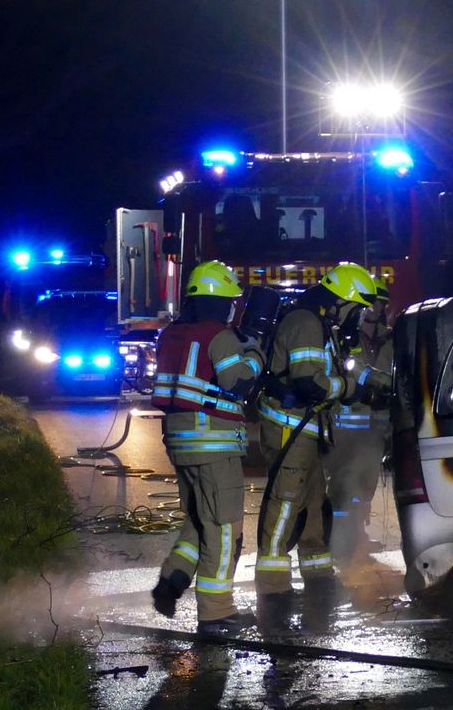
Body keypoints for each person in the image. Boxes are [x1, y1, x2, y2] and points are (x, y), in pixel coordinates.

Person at [254, 262, 380, 631]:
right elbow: (310, 382)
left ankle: (317, 571)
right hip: (290, 427)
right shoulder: (307, 322)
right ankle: (273, 583)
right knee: (286, 502)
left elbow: (337, 372)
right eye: (356, 308)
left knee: (312, 502)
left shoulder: (321, 324)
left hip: (308, 428)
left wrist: (376, 383)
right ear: (341, 302)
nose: (357, 317)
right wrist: (349, 390)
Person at [147, 261, 264, 634]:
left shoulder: (171, 334)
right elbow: (237, 381)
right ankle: (216, 613)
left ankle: (172, 581)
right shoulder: (219, 335)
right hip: (214, 444)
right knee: (225, 528)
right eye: (231, 300)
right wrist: (256, 354)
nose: (234, 307)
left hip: (179, 443)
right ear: (221, 301)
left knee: (200, 521)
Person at [328, 280, 395, 575]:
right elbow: (353, 370)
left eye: (379, 303)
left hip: (375, 427)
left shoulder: (390, 340)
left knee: (364, 487)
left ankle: (357, 536)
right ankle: (339, 541)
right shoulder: (346, 339)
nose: (374, 309)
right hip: (346, 425)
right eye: (370, 303)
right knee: (343, 485)